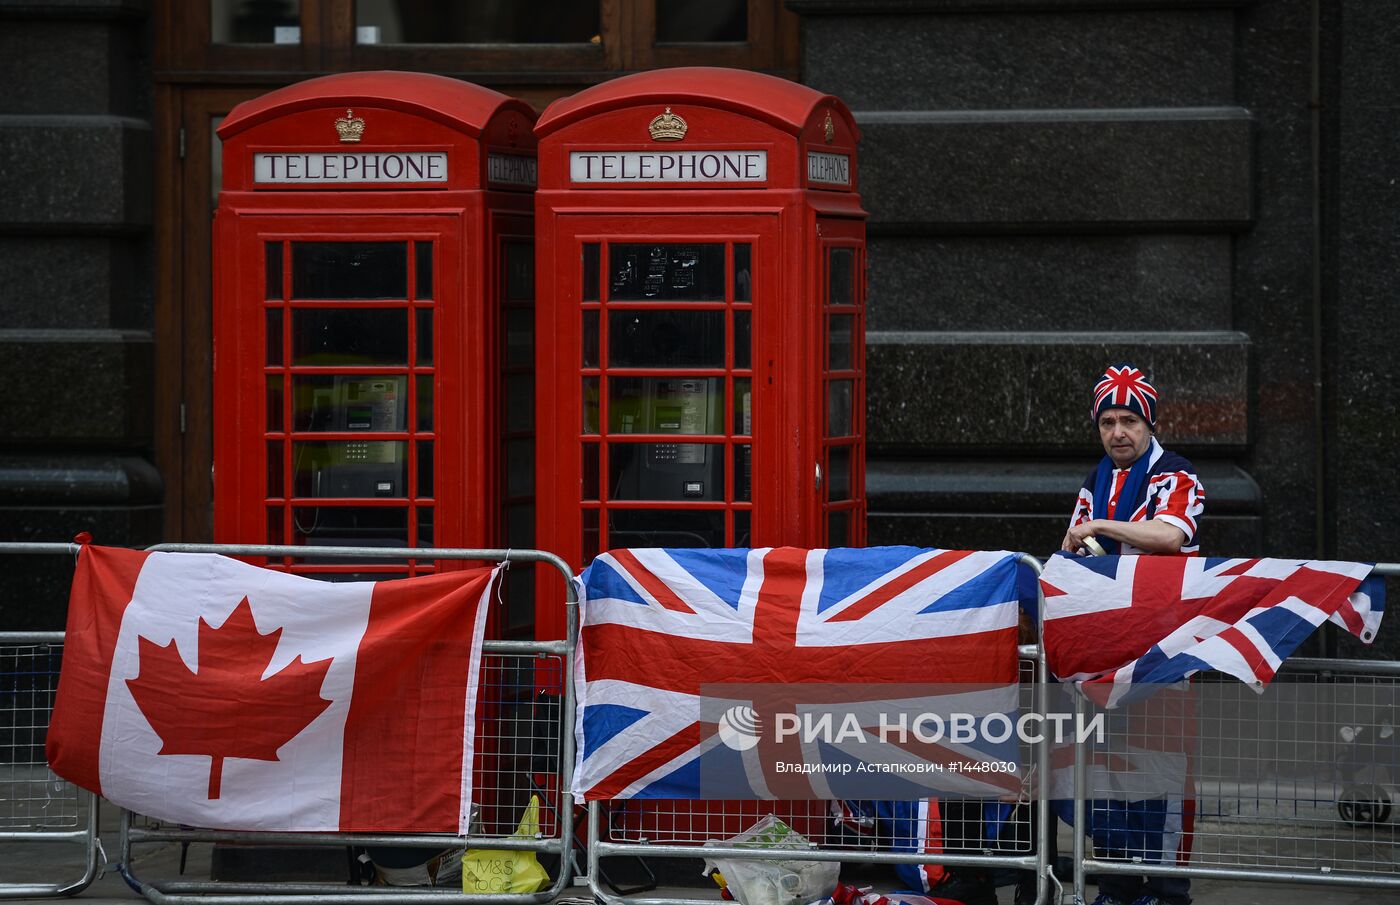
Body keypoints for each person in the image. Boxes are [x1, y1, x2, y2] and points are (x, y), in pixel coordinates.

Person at [1061, 364, 1203, 905]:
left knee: (1160, 774)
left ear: (1149, 424)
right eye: (1107, 423)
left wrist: (1099, 527)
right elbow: (1068, 550)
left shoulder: (1176, 474)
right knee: (1107, 775)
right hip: (1104, 651)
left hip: (1163, 651)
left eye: (1129, 421)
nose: (1117, 432)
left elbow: (1170, 535)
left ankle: (1167, 892)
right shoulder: (1094, 478)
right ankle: (1118, 885)